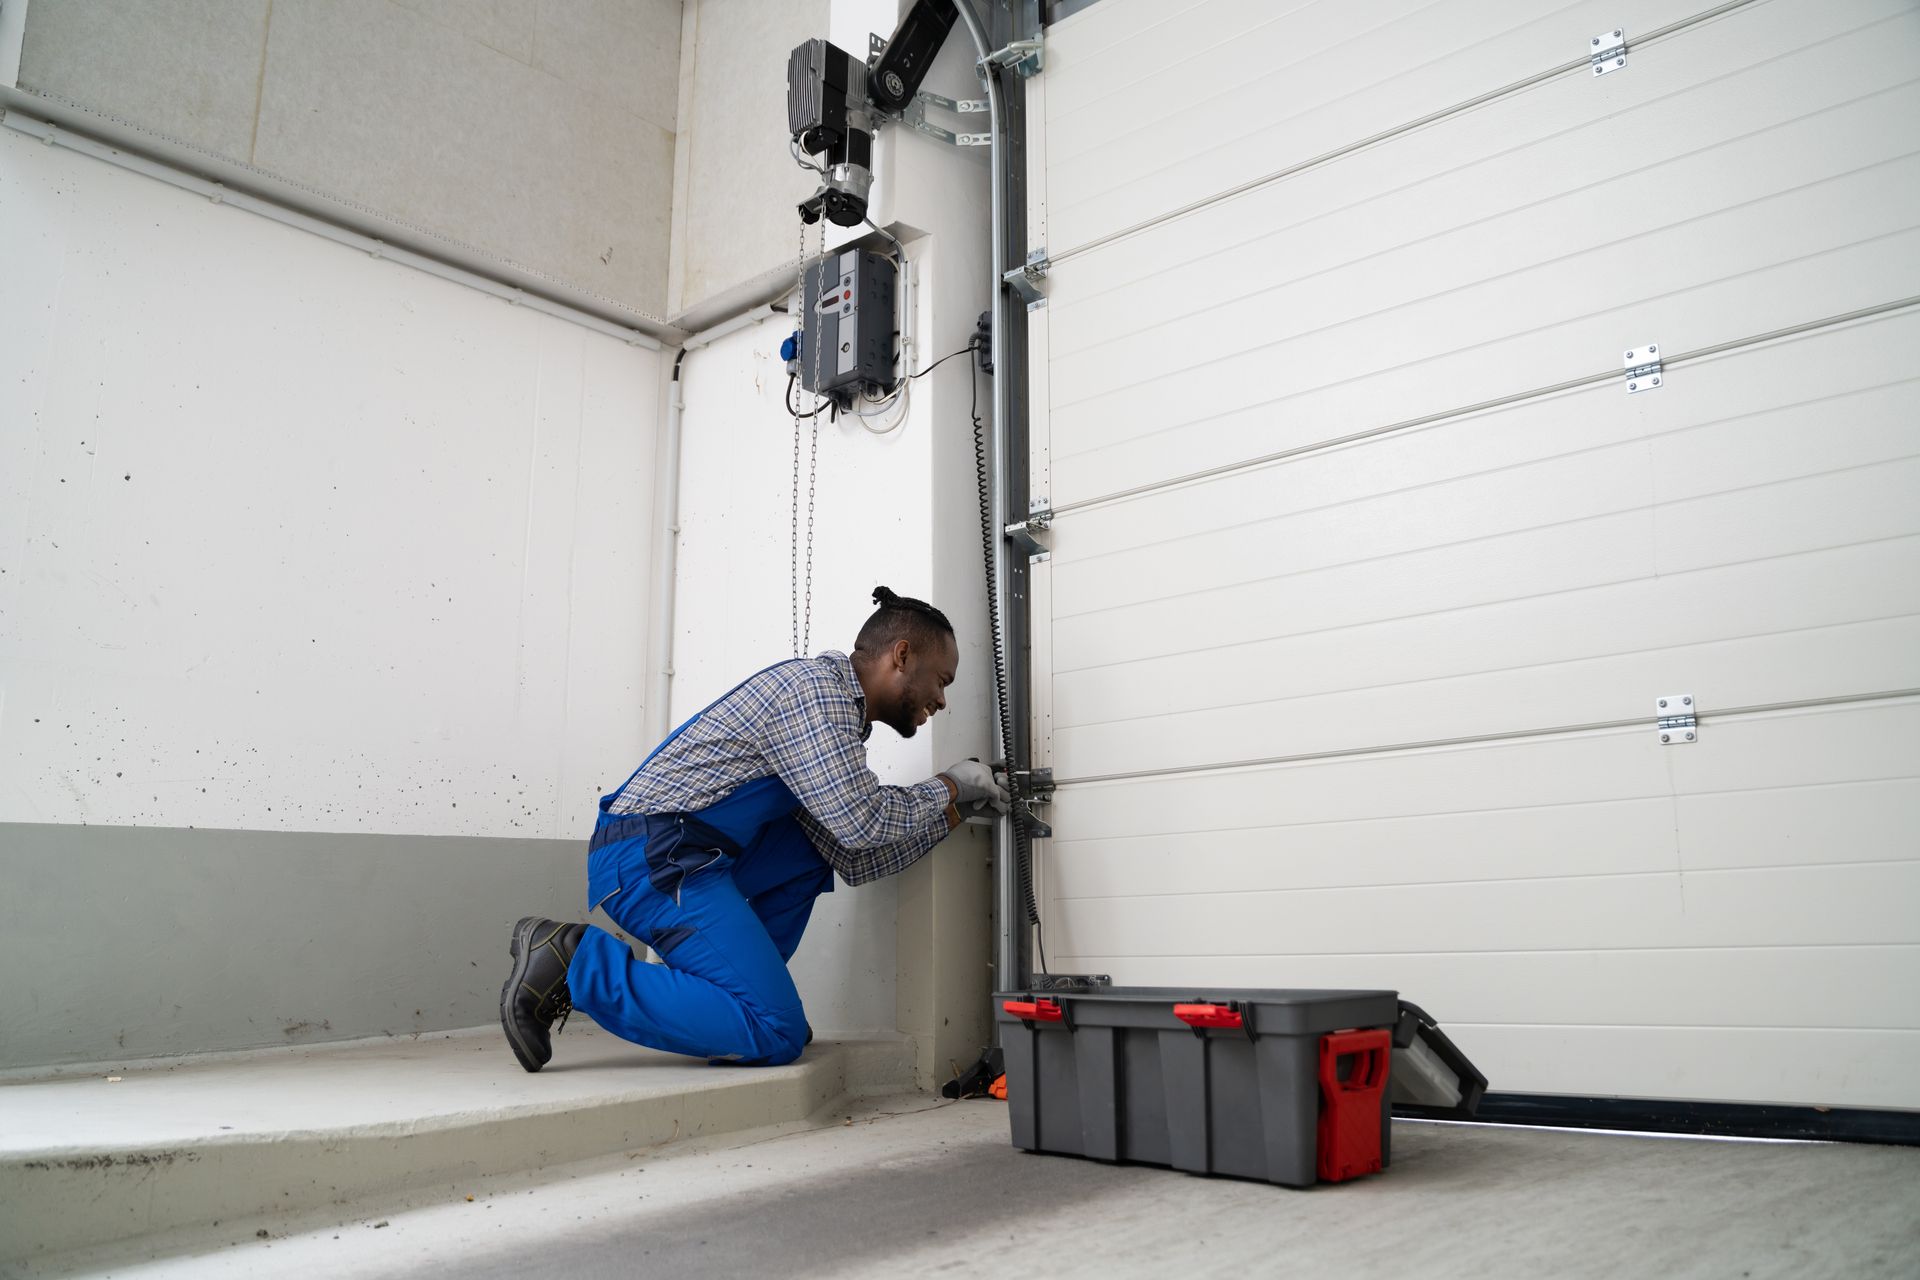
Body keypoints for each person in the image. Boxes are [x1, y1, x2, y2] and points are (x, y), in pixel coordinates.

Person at [500, 586, 1008, 1072]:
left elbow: (854, 855)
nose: (941, 700)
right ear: (901, 655)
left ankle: (745, 1003)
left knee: (808, 855)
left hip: (685, 856)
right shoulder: (817, 695)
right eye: (942, 680)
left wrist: (957, 811)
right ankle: (572, 963)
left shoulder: (836, 718)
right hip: (650, 856)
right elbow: (863, 820)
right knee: (776, 1031)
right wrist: (950, 786)